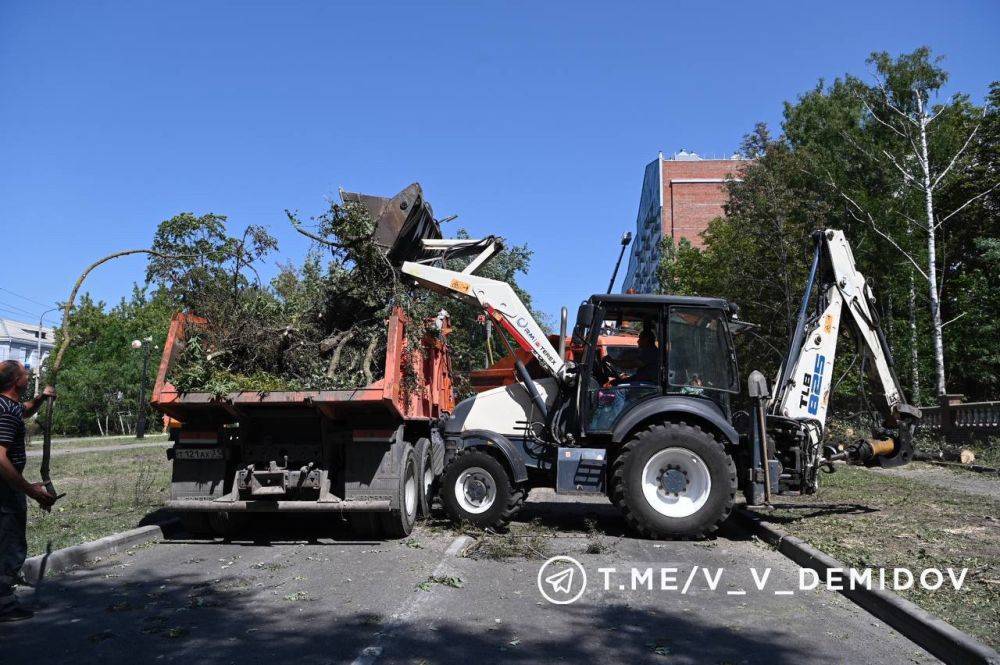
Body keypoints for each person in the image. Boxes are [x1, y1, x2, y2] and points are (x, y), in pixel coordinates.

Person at [0, 360, 56, 622]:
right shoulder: (6, 411)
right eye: (25, 374)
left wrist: (41, 399)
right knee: (9, 544)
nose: (29, 375)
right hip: (5, 490)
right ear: (15, 382)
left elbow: (23, 410)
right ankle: (4, 605)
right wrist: (30, 490)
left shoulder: (7, 405)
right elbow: (0, 458)